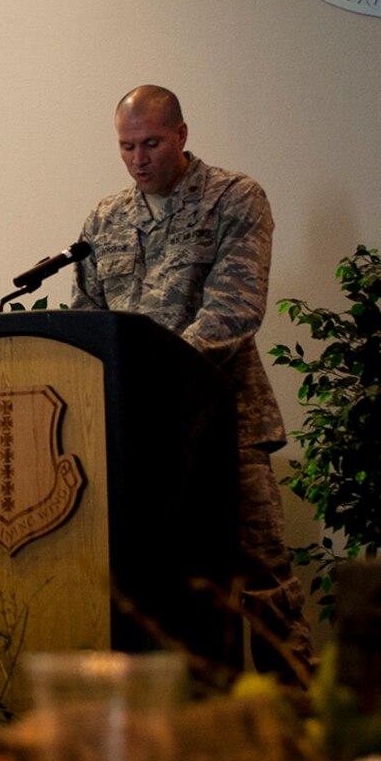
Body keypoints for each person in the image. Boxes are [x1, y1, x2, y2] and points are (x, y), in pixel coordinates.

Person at [70, 85, 312, 669]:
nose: (138, 159)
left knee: (261, 579)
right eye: (126, 146)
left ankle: (299, 721)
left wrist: (148, 382)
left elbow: (234, 310)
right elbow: (86, 320)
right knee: (158, 590)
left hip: (225, 425)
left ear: (181, 135)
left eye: (151, 143)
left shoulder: (234, 198)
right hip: (136, 440)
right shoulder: (104, 219)